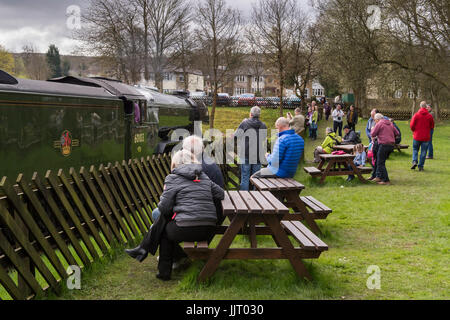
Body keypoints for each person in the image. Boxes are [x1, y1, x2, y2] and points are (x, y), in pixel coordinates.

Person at [125, 149, 225, 281]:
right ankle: (143, 249)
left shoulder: (172, 178)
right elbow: (221, 193)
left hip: (187, 229)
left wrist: (169, 197)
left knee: (164, 232)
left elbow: (164, 208)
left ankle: (162, 269)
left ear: (174, 163)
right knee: (165, 223)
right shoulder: (203, 176)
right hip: (208, 229)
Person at [234, 106, 267, 190]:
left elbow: (236, 135)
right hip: (258, 154)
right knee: (256, 178)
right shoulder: (263, 125)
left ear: (251, 114)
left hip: (246, 153)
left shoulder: (245, 123)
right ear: (259, 115)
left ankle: (244, 197)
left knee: (245, 177)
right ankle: (256, 197)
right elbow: (263, 138)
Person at [369, 113, 399, 185]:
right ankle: (379, 177)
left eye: (375, 120)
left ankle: (386, 180)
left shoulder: (379, 124)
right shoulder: (390, 123)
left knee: (380, 163)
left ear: (378, 119)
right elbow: (397, 133)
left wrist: (373, 128)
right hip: (391, 145)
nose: (375, 122)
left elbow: (373, 134)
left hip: (384, 144)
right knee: (381, 161)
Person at [410, 101, 435, 171]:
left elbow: (412, 125)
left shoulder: (416, 115)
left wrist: (414, 131)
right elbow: (432, 125)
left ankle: (414, 161)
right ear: (426, 107)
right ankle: (420, 166)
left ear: (420, 106)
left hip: (417, 136)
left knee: (415, 149)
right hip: (426, 136)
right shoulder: (429, 116)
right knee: (423, 152)